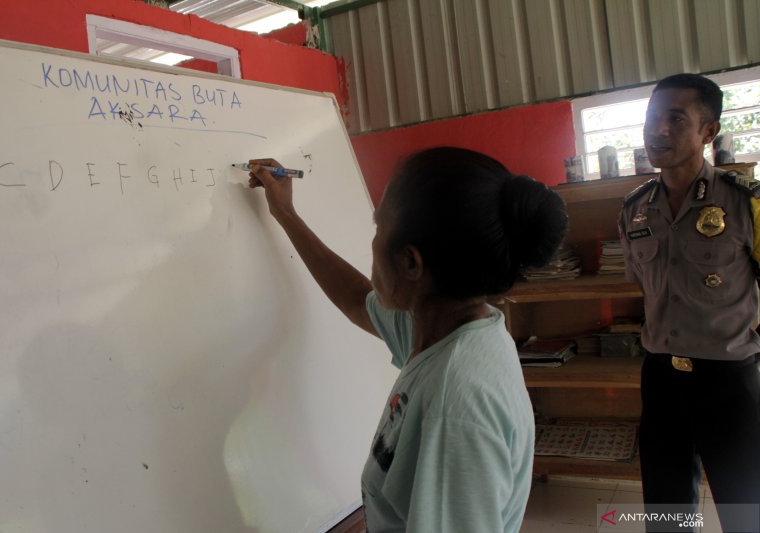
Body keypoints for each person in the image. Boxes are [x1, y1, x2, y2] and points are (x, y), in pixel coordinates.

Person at [248, 147, 567, 532]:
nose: (373, 239)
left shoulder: (455, 403)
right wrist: (285, 214)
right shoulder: (446, 327)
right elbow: (356, 300)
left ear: (412, 263)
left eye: (378, 227)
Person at [619, 73, 760, 532]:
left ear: (708, 132)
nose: (658, 130)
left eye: (675, 119)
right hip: (661, 377)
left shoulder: (745, 204)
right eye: (652, 118)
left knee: (745, 506)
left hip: (730, 380)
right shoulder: (635, 209)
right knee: (667, 510)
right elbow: (645, 287)